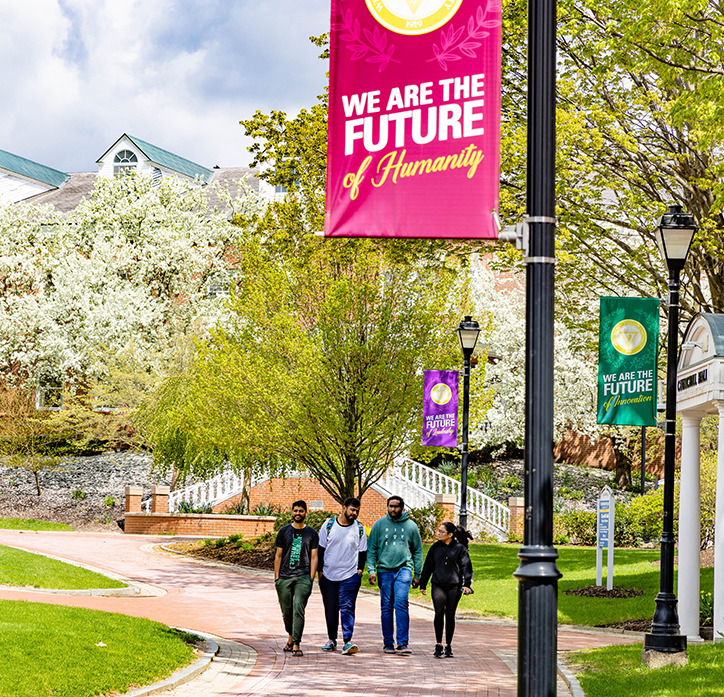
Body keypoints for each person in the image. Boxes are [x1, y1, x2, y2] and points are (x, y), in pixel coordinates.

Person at [367, 495, 423, 654]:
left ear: (402, 508)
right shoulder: (379, 525)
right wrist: (371, 570)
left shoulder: (411, 526)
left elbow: (417, 550)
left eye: (396, 506)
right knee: (386, 608)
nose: (393, 509)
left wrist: (417, 573)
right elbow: (371, 550)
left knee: (401, 604)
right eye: (390, 506)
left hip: (404, 569)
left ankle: (403, 643)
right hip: (384, 570)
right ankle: (388, 643)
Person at [318, 496, 368, 655]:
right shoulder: (329, 525)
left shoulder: (359, 528)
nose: (354, 513)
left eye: (357, 511)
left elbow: (362, 552)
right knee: (331, 609)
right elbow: (320, 550)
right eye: (352, 510)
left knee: (347, 608)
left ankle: (348, 641)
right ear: (344, 507)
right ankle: (332, 640)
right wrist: (320, 574)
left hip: (350, 575)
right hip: (328, 575)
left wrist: (359, 571)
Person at [419, 522, 474, 658]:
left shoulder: (460, 549)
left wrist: (466, 584)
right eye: (438, 531)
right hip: (438, 584)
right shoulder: (434, 548)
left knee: (450, 614)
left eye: (441, 532)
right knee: (438, 612)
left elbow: (466, 567)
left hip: (454, 586)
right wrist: (423, 584)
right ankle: (438, 644)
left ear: (450, 534)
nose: (438, 534)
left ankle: (448, 645)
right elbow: (428, 566)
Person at [274, 500, 319, 657]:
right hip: (284, 577)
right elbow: (278, 556)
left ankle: (296, 644)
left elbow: (314, 557)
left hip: (303, 577)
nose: (298, 513)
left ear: (306, 513)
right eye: (296, 511)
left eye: (301, 511)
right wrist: (277, 579)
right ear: (292, 512)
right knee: (287, 612)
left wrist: (311, 579)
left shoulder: (312, 534)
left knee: (298, 607)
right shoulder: (283, 531)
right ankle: (291, 637)